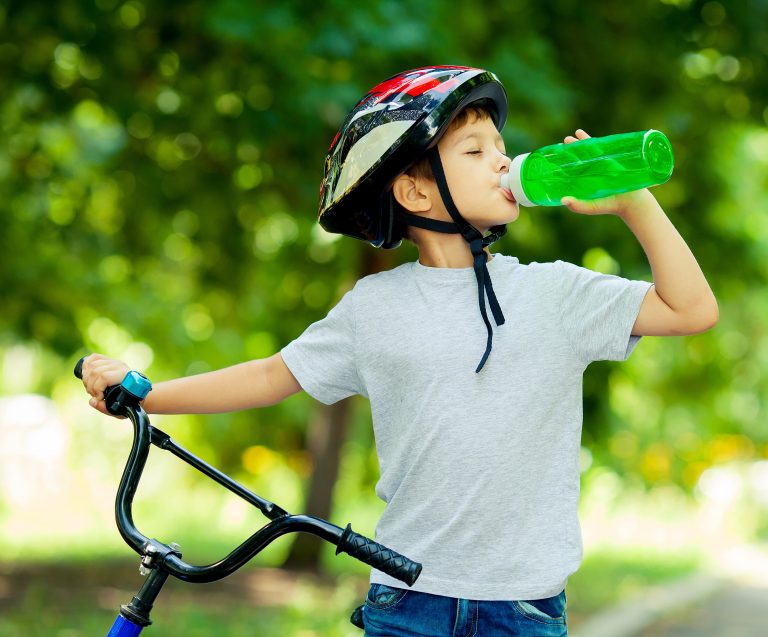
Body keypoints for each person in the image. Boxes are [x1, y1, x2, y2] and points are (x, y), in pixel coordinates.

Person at [80, 66, 718, 636]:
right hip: (408, 600)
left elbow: (692, 310)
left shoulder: (555, 291)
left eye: (502, 146)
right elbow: (273, 375)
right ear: (414, 193)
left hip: (522, 609)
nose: (503, 160)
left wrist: (635, 203)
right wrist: (148, 393)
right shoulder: (372, 308)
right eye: (475, 149)